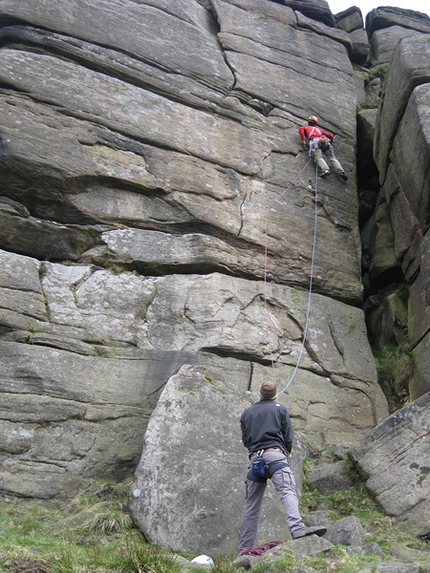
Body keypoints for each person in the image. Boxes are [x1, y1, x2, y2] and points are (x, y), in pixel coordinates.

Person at [238, 381, 327, 552]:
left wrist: (255, 451)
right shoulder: (280, 409)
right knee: (287, 491)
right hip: (276, 455)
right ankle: (297, 528)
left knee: (251, 505)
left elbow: (246, 439)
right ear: (275, 393)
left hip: (256, 459)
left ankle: (244, 549)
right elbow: (288, 435)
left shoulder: (246, 413)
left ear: (260, 393)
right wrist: (287, 452)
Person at [298, 115, 348, 181]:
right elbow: (330, 136)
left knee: (318, 157)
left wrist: (303, 140)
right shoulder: (320, 130)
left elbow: (300, 129)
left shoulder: (306, 128)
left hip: (315, 141)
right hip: (325, 141)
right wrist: (331, 140)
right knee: (332, 158)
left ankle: (326, 170)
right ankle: (341, 171)